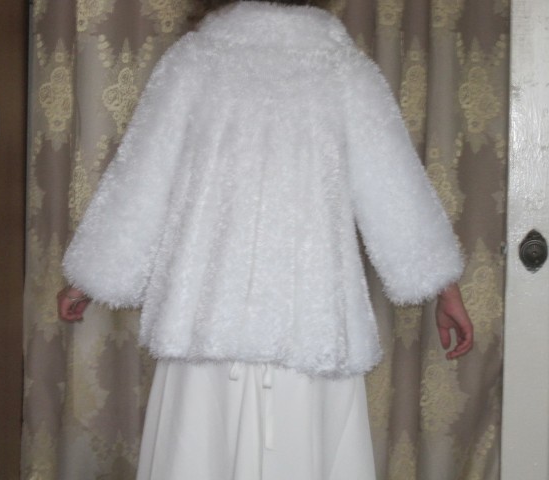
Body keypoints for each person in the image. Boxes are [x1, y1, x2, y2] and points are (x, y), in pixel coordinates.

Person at [58, 1, 474, 478]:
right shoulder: (342, 68)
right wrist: (444, 287)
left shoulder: (195, 61)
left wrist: (92, 275)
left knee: (198, 456)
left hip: (204, 330)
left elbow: (142, 180)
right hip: (312, 332)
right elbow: (394, 187)